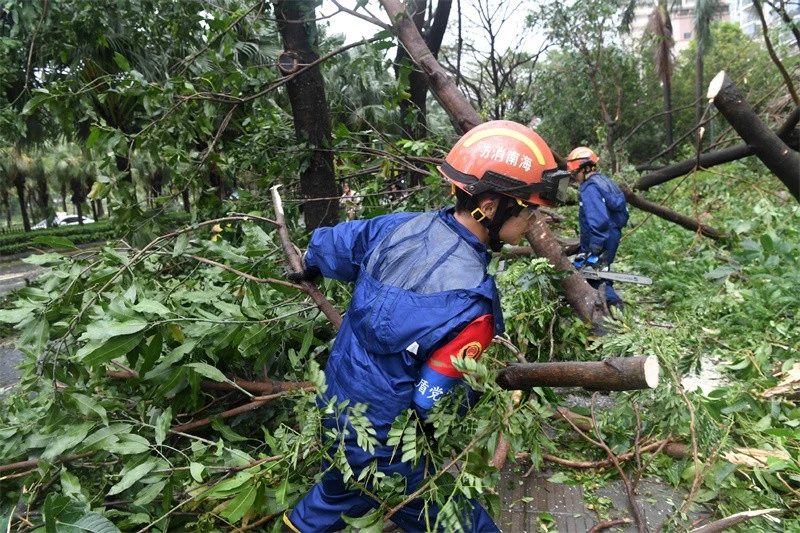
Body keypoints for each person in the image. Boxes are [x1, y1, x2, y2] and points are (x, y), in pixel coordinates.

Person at [283, 120, 570, 533]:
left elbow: (328, 246)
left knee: (335, 492)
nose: (533, 222)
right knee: (462, 525)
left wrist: (307, 262)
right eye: (529, 210)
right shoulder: (475, 307)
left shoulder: (397, 227)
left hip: (334, 407)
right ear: (491, 207)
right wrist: (476, 394)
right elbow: (430, 402)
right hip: (385, 447)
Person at [566, 146, 630, 309]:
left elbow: (598, 219)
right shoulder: (605, 182)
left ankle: (613, 305)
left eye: (575, 173)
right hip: (611, 235)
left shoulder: (590, 189)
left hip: (600, 237)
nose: (575, 178)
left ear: (585, 168)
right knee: (602, 270)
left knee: (594, 275)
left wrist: (595, 247)